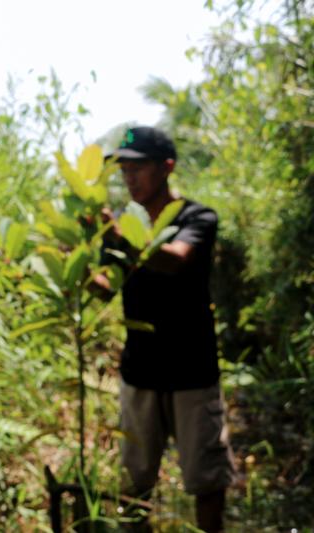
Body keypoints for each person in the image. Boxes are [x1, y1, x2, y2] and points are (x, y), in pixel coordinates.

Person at [95, 127, 235, 533]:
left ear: (166, 168)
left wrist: (121, 238)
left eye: (138, 168)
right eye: (124, 170)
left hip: (193, 374)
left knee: (207, 482)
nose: (129, 178)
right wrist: (73, 267)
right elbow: (107, 289)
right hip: (140, 373)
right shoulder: (121, 225)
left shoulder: (197, 218)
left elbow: (174, 260)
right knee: (134, 483)